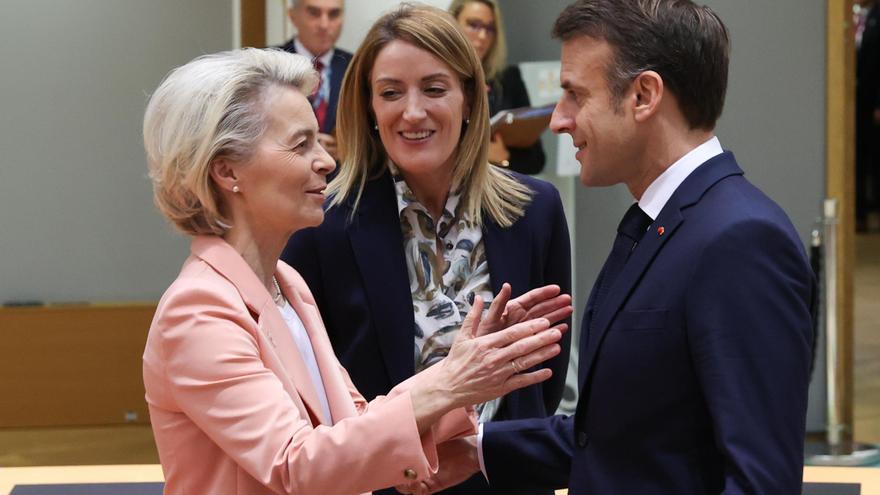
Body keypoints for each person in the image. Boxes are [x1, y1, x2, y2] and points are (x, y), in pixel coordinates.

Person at [402, 1, 816, 494]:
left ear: (643, 95)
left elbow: (759, 482)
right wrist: (477, 449)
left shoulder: (741, 241)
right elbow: (620, 439)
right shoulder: (659, 222)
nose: (558, 120)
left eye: (575, 95)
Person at [141, 47, 572, 494]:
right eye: (300, 144)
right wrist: (448, 382)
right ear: (227, 170)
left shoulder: (287, 286)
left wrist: (470, 373)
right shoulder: (197, 311)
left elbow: (357, 424)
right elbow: (297, 466)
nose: (326, 160)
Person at [281, 5, 572, 495]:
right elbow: (308, 395)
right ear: (369, 108)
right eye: (390, 92)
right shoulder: (321, 225)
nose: (411, 111)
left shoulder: (534, 211)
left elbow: (542, 376)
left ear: (469, 99)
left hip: (504, 482)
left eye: (434, 89)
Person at [448, 0, 546, 175]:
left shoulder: (508, 80)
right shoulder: (435, 80)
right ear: (451, 24)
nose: (483, 36)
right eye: (474, 25)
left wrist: (504, 158)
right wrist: (478, 154)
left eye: (490, 29)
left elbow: (536, 160)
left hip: (498, 192)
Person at [279, 0, 351, 160]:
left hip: (341, 177)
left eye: (333, 14)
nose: (324, 24)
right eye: (314, 13)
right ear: (292, 16)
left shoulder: (357, 67)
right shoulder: (267, 65)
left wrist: (350, 150)